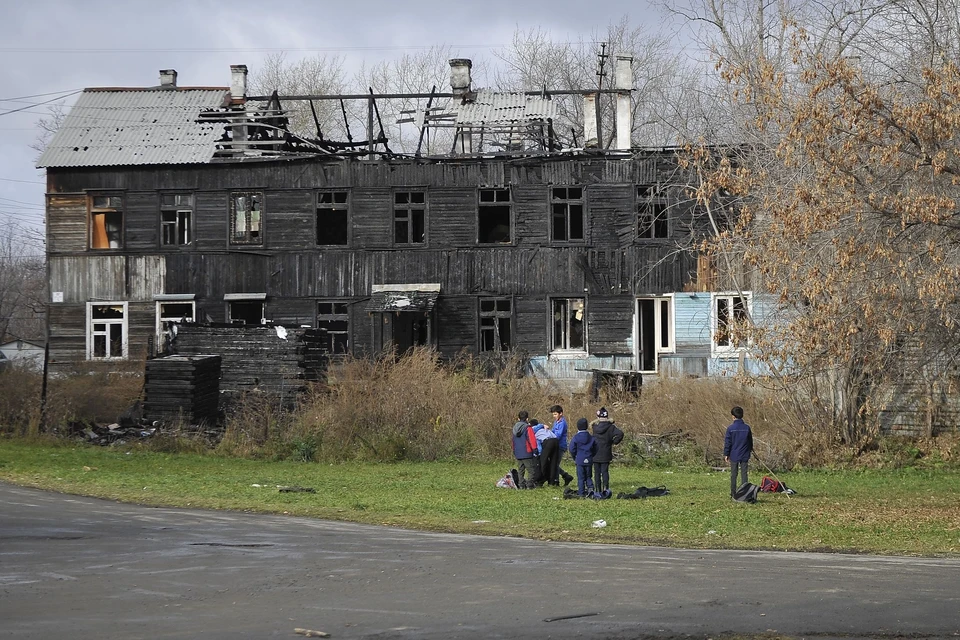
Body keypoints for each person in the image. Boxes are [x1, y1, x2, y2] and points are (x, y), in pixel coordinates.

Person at [590, 407, 624, 496]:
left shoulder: (594, 426)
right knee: (605, 472)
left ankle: (597, 489)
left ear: (597, 417)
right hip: (606, 452)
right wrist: (614, 441)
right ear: (607, 416)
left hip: (595, 452)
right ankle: (606, 488)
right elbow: (620, 434)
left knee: (596, 472)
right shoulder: (611, 427)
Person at [723, 406, 754, 498]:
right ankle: (745, 493)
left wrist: (726, 454)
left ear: (733, 416)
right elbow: (750, 441)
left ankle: (733, 493)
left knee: (734, 474)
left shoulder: (730, 428)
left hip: (734, 454)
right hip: (745, 453)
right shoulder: (747, 428)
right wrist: (750, 449)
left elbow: (728, 442)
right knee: (744, 474)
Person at [568, 418, 597, 497]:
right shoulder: (591, 437)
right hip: (589, 459)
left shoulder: (576, 437)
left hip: (580, 460)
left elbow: (571, 448)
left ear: (578, 427)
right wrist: (591, 455)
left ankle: (581, 492)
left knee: (581, 477)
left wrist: (575, 457)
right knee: (588, 476)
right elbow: (596, 448)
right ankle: (590, 490)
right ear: (587, 426)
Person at [511, 410, 541, 489]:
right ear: (527, 419)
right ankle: (529, 485)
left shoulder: (514, 428)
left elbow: (513, 441)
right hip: (526, 452)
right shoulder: (528, 428)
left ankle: (521, 485)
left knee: (521, 470)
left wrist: (514, 450)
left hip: (518, 452)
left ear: (518, 418)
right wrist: (535, 449)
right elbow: (532, 439)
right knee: (531, 470)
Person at [549, 405, 575, 487]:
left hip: (560, 445)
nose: (554, 416)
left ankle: (557, 481)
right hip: (555, 445)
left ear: (561, 413)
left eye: (555, 414)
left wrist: (550, 436)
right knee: (553, 464)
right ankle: (565, 476)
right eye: (553, 414)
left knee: (555, 464)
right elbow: (552, 431)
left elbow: (558, 435)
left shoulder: (562, 423)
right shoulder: (556, 422)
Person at [533, 418, 560, 486]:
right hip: (556, 441)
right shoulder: (544, 429)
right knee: (553, 462)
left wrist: (538, 454)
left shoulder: (534, 431)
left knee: (543, 461)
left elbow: (539, 447)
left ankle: (541, 479)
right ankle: (552, 482)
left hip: (548, 442)